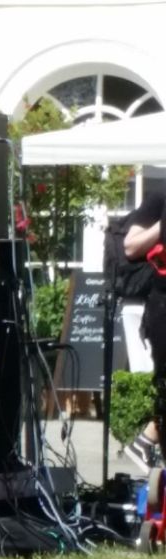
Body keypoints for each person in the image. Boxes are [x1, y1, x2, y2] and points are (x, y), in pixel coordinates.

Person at [123, 194, 166, 470]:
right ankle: (148, 438)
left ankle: (147, 440)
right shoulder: (159, 201)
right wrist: (162, 226)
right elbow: (130, 246)